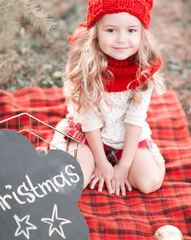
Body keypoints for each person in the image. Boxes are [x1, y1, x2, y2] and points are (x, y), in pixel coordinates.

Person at [51, 0, 166, 196]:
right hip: (90, 135)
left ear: (142, 32)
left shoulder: (143, 67)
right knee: (72, 182)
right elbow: (89, 118)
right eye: (111, 30)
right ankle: (66, 142)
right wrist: (101, 162)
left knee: (150, 183)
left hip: (125, 136)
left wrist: (123, 167)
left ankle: (141, 157)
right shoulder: (87, 63)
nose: (121, 39)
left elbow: (135, 119)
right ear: (96, 32)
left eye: (131, 30)